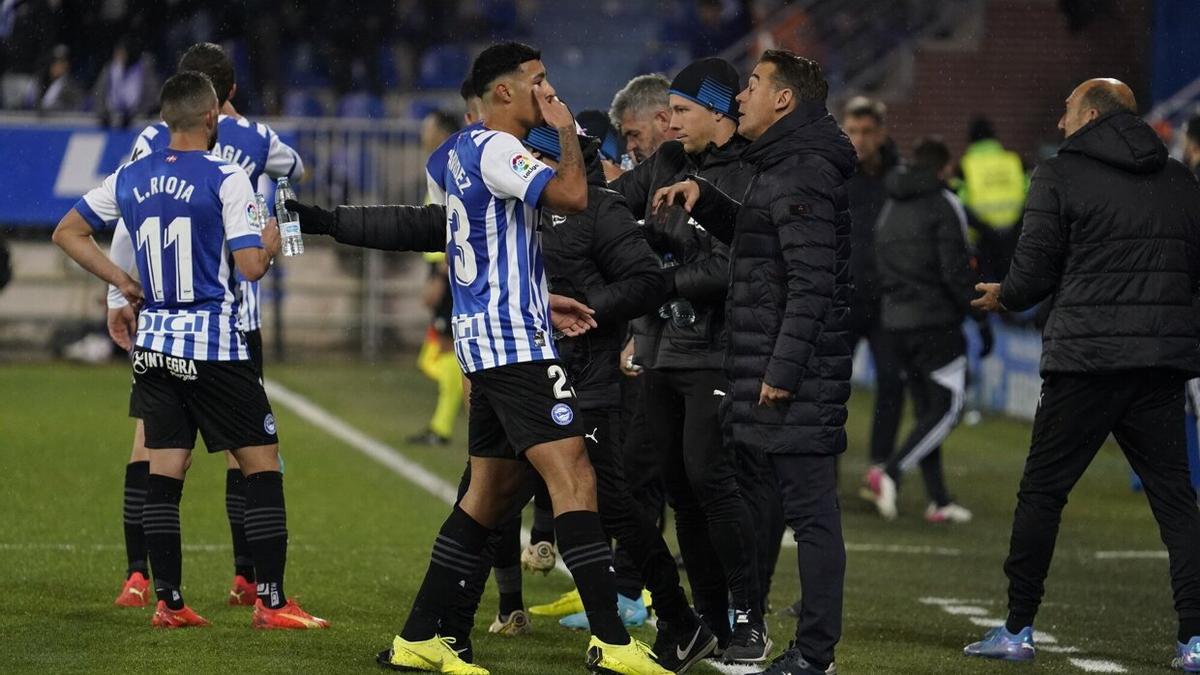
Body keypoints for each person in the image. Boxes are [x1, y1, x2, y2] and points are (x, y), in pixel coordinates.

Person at [290, 122, 721, 673]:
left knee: (599, 502)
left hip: (579, 375)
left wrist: (583, 307)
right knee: (493, 493)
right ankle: (452, 633)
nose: (525, 163)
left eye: (536, 156)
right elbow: (418, 225)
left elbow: (644, 281)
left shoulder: (600, 210)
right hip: (519, 362)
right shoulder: (507, 205)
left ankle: (675, 625)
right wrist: (327, 220)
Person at [343, 42, 667, 675]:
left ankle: (421, 637)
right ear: (503, 94)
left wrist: (541, 299)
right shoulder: (497, 148)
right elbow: (575, 194)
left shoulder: (459, 153)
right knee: (575, 478)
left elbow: (483, 248)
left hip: (488, 343)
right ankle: (613, 642)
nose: (548, 92)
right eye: (538, 83)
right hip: (516, 350)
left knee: (488, 496)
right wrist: (568, 128)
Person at [53, 71, 326, 630]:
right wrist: (273, 238)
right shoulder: (227, 176)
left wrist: (122, 282)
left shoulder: (130, 175)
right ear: (211, 119)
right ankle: (270, 602)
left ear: (165, 118)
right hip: (216, 349)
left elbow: (67, 232)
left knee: (165, 474)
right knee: (262, 466)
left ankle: (169, 602)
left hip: (153, 347)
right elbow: (251, 267)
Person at [963, 79, 1200, 671]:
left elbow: (1032, 273)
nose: (1060, 121)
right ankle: (1195, 640)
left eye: (1067, 110)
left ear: (1091, 114)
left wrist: (1006, 296)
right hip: (1160, 365)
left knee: (1043, 493)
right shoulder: (1179, 179)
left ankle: (1018, 628)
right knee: (1177, 504)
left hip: (1085, 364)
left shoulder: (1059, 175)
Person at [653, 50, 856, 675]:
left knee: (812, 515)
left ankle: (814, 654)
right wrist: (707, 200)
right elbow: (762, 240)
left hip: (794, 373)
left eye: (754, 84)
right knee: (793, 507)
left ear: (784, 100)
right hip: (780, 365)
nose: (741, 95)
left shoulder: (800, 172)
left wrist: (782, 371)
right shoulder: (785, 166)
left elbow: (811, 283)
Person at [107, 42, 305, 611]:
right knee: (250, 454)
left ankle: (140, 577)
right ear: (226, 96)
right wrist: (283, 243)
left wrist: (114, 292)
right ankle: (250, 579)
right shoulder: (262, 141)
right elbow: (293, 177)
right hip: (236, 320)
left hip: (162, 320)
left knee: (152, 450)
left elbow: (122, 221)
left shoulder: (151, 143)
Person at [611, 57, 770, 663]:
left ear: (719, 111)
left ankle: (749, 615)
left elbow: (736, 264)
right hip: (663, 349)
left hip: (720, 350)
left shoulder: (750, 172)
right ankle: (707, 621)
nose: (669, 121)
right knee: (678, 486)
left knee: (711, 479)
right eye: (670, 111)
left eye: (682, 111)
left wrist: (660, 283)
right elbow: (608, 203)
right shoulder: (670, 162)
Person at [867, 136, 989, 523]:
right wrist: (979, 316)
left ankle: (938, 500)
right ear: (944, 168)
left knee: (925, 410)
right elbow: (955, 268)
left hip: (895, 323)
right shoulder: (943, 202)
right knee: (947, 409)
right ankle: (892, 471)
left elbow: (880, 258)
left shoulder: (891, 203)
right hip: (935, 324)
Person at [840, 97, 904, 479]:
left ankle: (879, 467)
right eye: (852, 131)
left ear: (881, 134)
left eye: (866, 132)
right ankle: (821, 472)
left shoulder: (898, 180)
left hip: (885, 303)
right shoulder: (833, 174)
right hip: (843, 299)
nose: (859, 139)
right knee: (828, 387)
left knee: (892, 382)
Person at [408, 110, 465, 446]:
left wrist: (441, 276)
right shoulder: (440, 166)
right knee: (434, 355)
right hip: (441, 269)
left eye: (427, 126)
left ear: (441, 131)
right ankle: (442, 425)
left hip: (448, 272)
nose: (423, 132)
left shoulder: (451, 169)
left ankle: (441, 428)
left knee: (443, 352)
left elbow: (454, 225)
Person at [957, 115, 1026, 280]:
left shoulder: (965, 165)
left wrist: (987, 230)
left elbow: (960, 204)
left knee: (987, 293)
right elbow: (1032, 195)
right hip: (1016, 239)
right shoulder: (1014, 161)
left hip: (983, 243)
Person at [610, 74, 673, 164]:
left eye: (635, 135)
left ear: (662, 119)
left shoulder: (697, 163)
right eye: (627, 138)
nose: (629, 146)